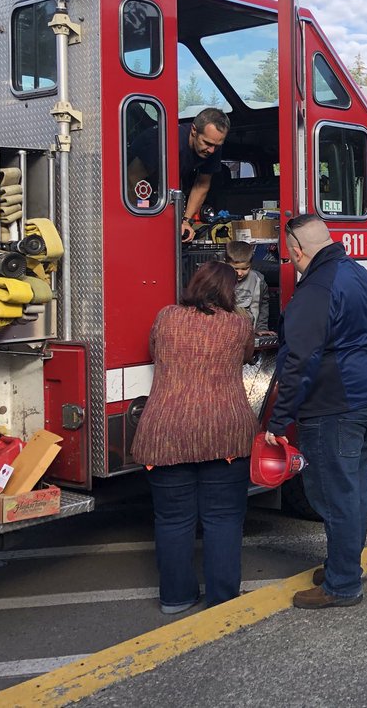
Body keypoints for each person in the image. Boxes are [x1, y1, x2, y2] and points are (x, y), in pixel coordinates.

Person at [265, 215, 367, 609]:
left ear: (297, 250)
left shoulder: (314, 290)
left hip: (336, 403)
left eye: (290, 254)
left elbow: (300, 361)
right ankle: (344, 565)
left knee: (334, 496)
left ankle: (342, 584)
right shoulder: (356, 273)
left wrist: (277, 419)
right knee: (354, 490)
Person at [130, 261, 257, 614]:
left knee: (172, 519)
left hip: (166, 432)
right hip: (225, 432)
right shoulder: (238, 323)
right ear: (230, 292)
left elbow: (155, 351)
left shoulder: (167, 316)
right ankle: (223, 599)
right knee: (224, 518)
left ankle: (176, 597)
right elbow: (248, 356)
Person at [127, 107, 230, 243]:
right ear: (194, 130)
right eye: (207, 143)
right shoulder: (161, 141)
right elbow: (131, 178)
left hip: (160, 192)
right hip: (134, 191)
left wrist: (186, 221)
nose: (211, 150)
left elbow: (202, 185)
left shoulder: (212, 144)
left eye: (217, 145)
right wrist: (141, 220)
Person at [225, 240, 271, 333]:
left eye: (245, 268)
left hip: (249, 331)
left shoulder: (258, 280)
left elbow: (262, 306)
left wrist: (261, 328)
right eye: (235, 268)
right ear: (225, 263)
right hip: (225, 330)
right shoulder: (217, 279)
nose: (240, 273)